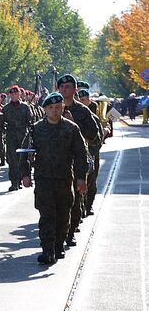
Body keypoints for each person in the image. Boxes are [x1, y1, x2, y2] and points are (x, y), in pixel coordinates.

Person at [21, 92, 88, 264]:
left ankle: (58, 246)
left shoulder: (71, 129)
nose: (55, 111)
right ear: (44, 110)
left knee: (63, 215)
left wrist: (81, 178)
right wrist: (25, 174)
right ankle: (47, 249)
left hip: (64, 179)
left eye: (58, 107)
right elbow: (26, 153)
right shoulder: (35, 129)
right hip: (43, 179)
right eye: (51, 108)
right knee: (46, 215)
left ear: (63, 108)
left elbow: (81, 155)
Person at [56, 74, 99, 248]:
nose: (64, 90)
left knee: (73, 200)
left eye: (68, 87)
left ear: (75, 90)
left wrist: (75, 125)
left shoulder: (82, 111)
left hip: (77, 161)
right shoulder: (52, 108)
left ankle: (70, 232)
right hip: (56, 162)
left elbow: (94, 134)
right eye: (62, 87)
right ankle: (57, 236)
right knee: (55, 201)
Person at [0, 85, 32, 191]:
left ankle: (22, 178)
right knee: (12, 160)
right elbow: (1, 124)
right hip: (11, 137)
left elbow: (30, 123)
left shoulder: (25, 107)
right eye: (11, 94)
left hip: (23, 137)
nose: (14, 95)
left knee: (22, 159)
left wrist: (31, 138)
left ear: (19, 94)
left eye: (16, 93)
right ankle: (14, 182)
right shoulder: (6, 109)